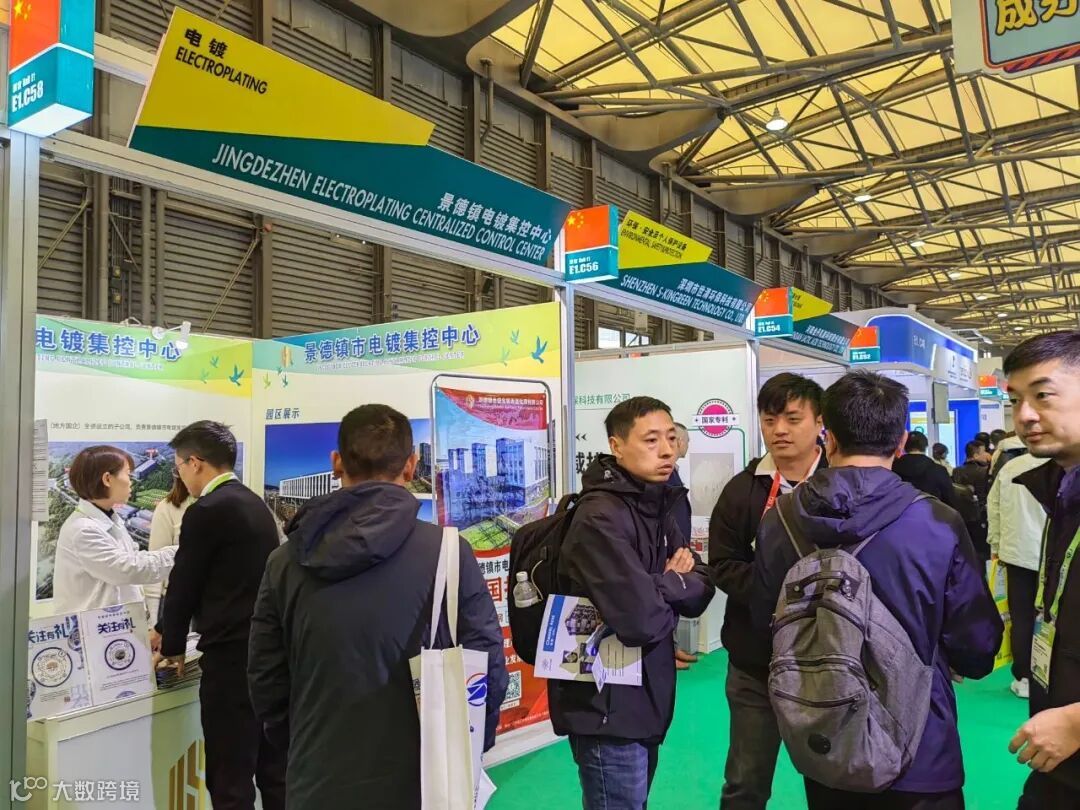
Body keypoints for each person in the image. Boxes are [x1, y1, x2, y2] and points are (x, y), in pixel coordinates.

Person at [752, 371, 1003, 810]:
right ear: (901, 441)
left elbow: (766, 624)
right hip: (921, 742)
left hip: (826, 732)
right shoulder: (936, 521)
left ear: (828, 437)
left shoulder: (782, 518)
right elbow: (977, 647)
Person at [248, 405, 507, 808]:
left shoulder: (283, 562)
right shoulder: (448, 552)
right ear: (411, 465)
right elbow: (487, 668)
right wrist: (469, 747)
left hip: (318, 779)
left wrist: (301, 744)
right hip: (425, 781)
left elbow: (266, 679)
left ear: (336, 462)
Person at [551, 396, 713, 809]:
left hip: (646, 693)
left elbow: (703, 587)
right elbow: (642, 619)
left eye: (671, 438)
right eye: (651, 440)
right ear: (616, 446)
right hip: (605, 704)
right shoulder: (599, 517)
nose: (667, 450)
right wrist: (670, 582)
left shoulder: (659, 504)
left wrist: (657, 586)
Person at [710, 373, 825, 810]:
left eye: (793, 419)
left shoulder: (841, 482)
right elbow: (723, 564)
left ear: (819, 422)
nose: (779, 430)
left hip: (831, 659)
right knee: (746, 781)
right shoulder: (742, 490)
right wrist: (782, 597)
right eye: (770, 420)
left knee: (835, 779)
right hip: (755, 660)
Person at [158, 421, 286, 810]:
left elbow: (184, 582)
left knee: (229, 773)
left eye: (179, 466)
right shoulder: (255, 503)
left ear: (195, 463)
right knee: (273, 770)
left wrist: (171, 645)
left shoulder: (207, 510)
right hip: (268, 654)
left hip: (229, 659)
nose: (180, 475)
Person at [1002, 333, 1080, 808]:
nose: (1025, 415)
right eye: (1015, 400)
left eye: (1043, 395)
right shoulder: (1057, 489)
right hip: (1060, 765)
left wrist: (1076, 722)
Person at [52, 446, 176, 633]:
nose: (131, 481)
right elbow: (130, 569)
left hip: (114, 629)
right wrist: (183, 552)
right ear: (107, 479)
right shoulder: (83, 530)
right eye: (128, 474)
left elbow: (134, 559)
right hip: (95, 634)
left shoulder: (110, 520)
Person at [989, 448, 1047, 700]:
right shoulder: (1067, 466)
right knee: (1059, 618)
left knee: (1022, 618)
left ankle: (1024, 678)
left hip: (1017, 554)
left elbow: (994, 508)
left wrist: (996, 545)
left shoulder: (1010, 468)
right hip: (1057, 555)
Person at [143, 476, 194, 623]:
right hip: (177, 602)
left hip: (217, 602)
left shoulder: (223, 505)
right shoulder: (167, 507)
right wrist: (152, 621)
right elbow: (155, 565)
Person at [669, 421, 698, 671]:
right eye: (687, 440)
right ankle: (668, 652)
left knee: (676, 597)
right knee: (668, 597)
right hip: (669, 551)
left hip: (679, 548)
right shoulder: (665, 474)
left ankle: (674, 647)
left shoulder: (674, 472)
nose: (688, 445)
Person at [953, 440, 993, 563]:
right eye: (983, 452)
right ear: (975, 455)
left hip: (961, 515)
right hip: (980, 516)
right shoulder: (984, 471)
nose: (986, 454)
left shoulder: (957, 470)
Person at [893, 430, 956, 507]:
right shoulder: (939, 470)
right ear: (925, 446)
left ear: (904, 446)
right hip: (932, 512)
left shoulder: (892, 468)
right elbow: (950, 501)